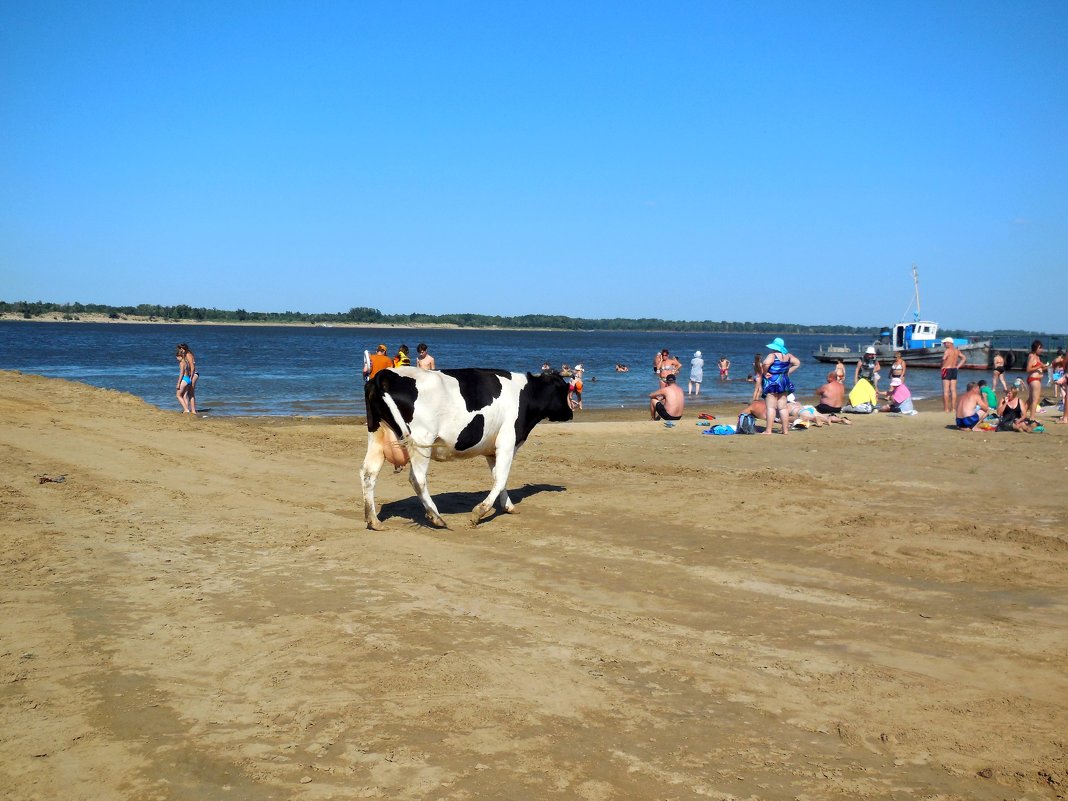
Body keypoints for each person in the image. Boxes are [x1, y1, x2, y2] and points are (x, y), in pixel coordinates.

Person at [760, 337, 801, 436]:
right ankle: (785, 430)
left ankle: (768, 430)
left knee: (771, 407)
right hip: (784, 381)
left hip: (773, 381)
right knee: (782, 407)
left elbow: (765, 363)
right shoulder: (788, 355)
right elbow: (797, 363)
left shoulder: (772, 355)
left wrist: (765, 373)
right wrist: (787, 372)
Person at [940, 336, 967, 412]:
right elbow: (964, 358)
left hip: (946, 369)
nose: (944, 344)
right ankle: (954, 408)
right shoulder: (957, 351)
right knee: (953, 390)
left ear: (949, 343)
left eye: (945, 343)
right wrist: (957, 366)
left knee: (946, 390)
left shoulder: (947, 351)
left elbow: (943, 359)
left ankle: (946, 409)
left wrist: (941, 366)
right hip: (954, 369)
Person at [1024, 339, 1046, 421]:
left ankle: (1022, 415)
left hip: (1036, 379)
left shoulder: (1037, 357)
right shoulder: (1032, 356)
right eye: (1040, 348)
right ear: (1036, 348)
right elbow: (1028, 369)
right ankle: (1032, 418)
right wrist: (1039, 366)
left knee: (1030, 399)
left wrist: (1045, 367)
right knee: (1035, 399)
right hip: (1034, 379)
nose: (1041, 350)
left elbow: (1038, 368)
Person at [177, 343, 198, 414]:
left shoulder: (188, 354)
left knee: (190, 393)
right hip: (188, 376)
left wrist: (191, 378)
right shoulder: (184, 355)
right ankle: (186, 410)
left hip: (194, 374)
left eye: (179, 349)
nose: (179, 351)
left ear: (182, 349)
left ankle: (193, 411)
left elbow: (192, 367)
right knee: (185, 394)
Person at [174, 346, 192, 413]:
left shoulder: (182, 363)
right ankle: (187, 409)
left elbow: (181, 373)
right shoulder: (186, 361)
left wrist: (178, 383)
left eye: (177, 357)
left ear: (180, 356)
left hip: (184, 379)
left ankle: (186, 410)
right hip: (188, 379)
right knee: (184, 396)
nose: (177, 359)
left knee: (178, 395)